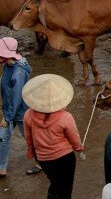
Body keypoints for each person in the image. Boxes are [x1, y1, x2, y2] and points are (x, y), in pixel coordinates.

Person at [23, 74, 83, 199]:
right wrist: (78, 147)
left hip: (43, 159)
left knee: (54, 184)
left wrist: (33, 152)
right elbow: (74, 137)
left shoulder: (28, 114)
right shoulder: (65, 117)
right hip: (65, 159)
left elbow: (29, 139)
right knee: (65, 188)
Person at [0, 37, 31, 177]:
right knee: (2, 138)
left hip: (19, 113)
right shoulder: (8, 65)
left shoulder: (18, 72)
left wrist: (7, 117)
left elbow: (16, 97)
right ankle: (1, 168)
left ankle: (43, 161)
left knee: (30, 139)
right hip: (10, 110)